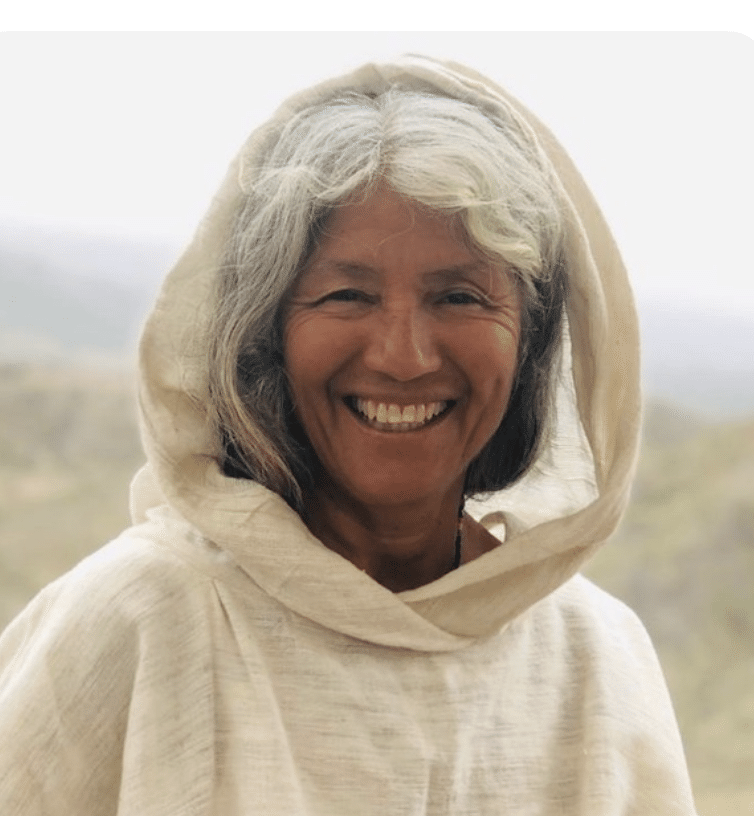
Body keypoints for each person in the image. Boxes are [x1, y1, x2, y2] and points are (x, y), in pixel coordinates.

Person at [0, 56, 697, 814]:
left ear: (528, 347)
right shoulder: (143, 618)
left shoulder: (596, 658)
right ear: (265, 335)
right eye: (347, 294)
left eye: (460, 296)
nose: (403, 356)